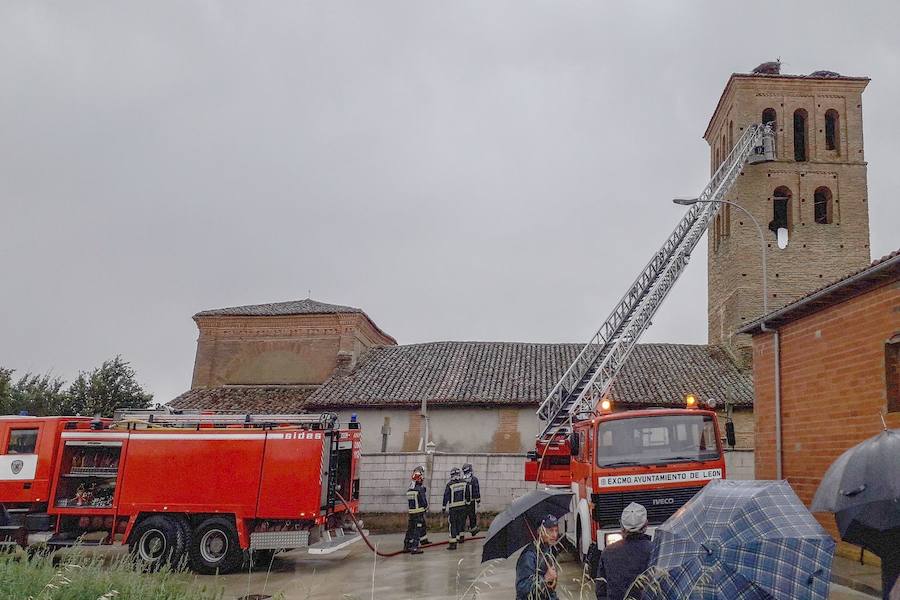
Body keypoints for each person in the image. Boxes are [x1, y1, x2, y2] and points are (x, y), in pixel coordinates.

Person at [595, 502, 653, 600]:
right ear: (646, 524)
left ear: (622, 526)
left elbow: (600, 591)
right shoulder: (655, 550)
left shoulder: (608, 552)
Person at [515, 514, 560, 600]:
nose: (555, 535)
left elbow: (550, 591)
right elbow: (521, 589)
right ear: (540, 531)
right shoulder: (528, 556)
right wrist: (545, 579)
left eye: (556, 530)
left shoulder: (548, 550)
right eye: (550, 530)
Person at [441, 467, 470, 550]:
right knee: (461, 522)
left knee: (453, 525)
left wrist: (443, 507)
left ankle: (453, 543)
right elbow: (468, 495)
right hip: (463, 507)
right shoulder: (464, 483)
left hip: (453, 508)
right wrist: (467, 504)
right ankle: (461, 538)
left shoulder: (450, 484)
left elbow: (446, 496)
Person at [403, 468, 428, 554]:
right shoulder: (419, 489)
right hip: (418, 514)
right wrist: (425, 507)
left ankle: (406, 546)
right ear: (419, 479)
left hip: (411, 514)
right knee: (417, 530)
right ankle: (414, 547)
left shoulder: (409, 490)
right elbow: (424, 502)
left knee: (410, 530)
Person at [461, 463, 481, 540]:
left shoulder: (461, 480)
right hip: (471, 502)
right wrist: (478, 500)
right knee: (472, 516)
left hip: (463, 503)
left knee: (463, 517)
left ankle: (461, 534)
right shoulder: (474, 479)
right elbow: (476, 490)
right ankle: (473, 530)